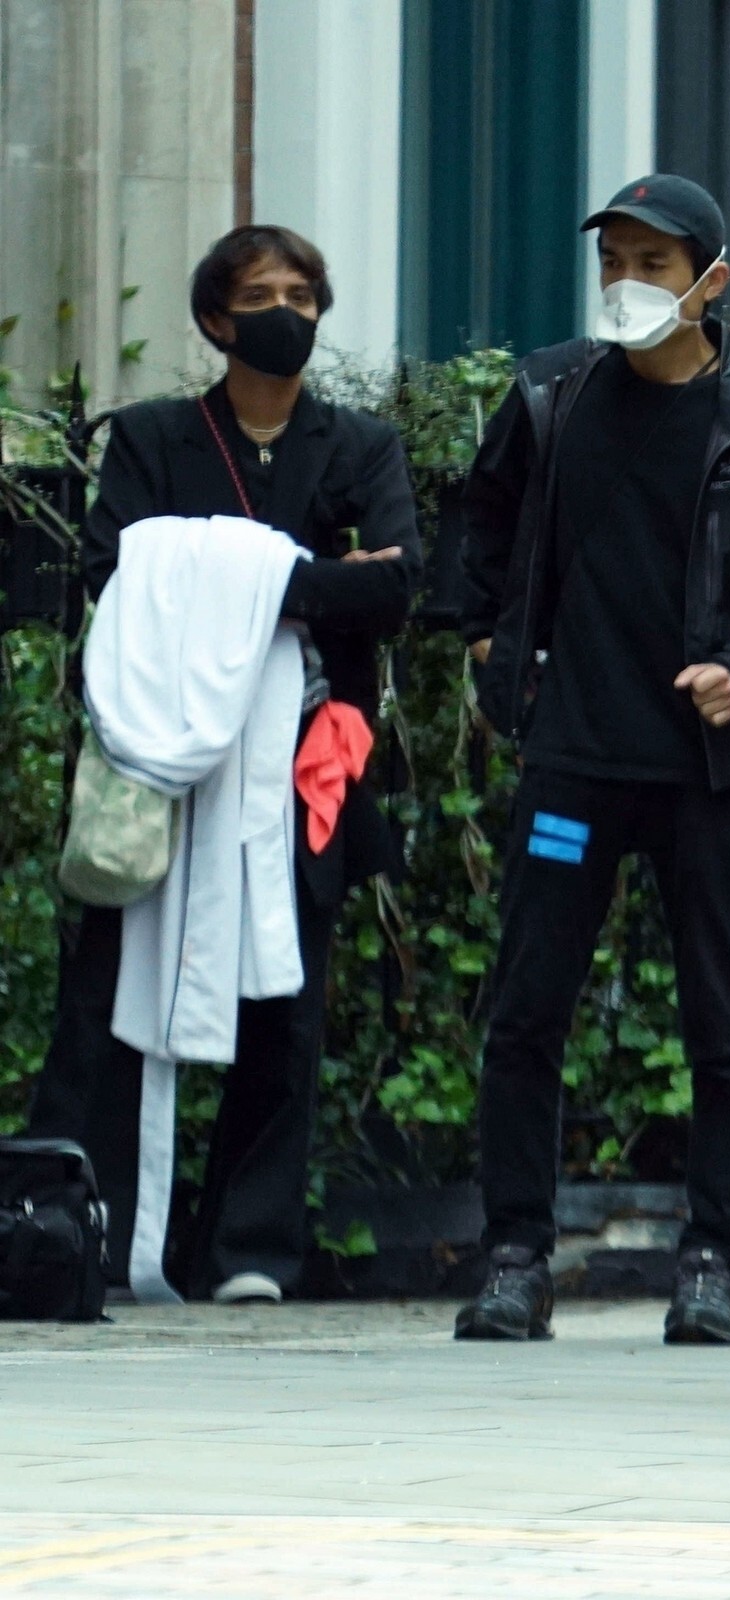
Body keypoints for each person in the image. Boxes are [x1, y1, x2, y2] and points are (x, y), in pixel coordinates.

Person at [455, 175, 730, 1347]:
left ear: (711, 283)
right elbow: (477, 528)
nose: (627, 283)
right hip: (574, 762)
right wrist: (491, 646)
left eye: (654, 264)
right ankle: (516, 1259)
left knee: (724, 1022)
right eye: (613, 261)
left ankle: (711, 1264)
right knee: (526, 1009)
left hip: (711, 772)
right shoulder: (551, 395)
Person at [26, 225, 417, 1306]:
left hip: (302, 758)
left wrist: (220, 574)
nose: (283, 311)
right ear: (215, 318)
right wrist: (310, 579)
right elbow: (114, 567)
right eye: (259, 295)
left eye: (301, 293)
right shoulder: (155, 437)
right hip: (161, 754)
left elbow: (396, 588)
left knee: (286, 999)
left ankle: (249, 1247)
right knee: (110, 988)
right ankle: (89, 1233)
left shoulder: (359, 446)